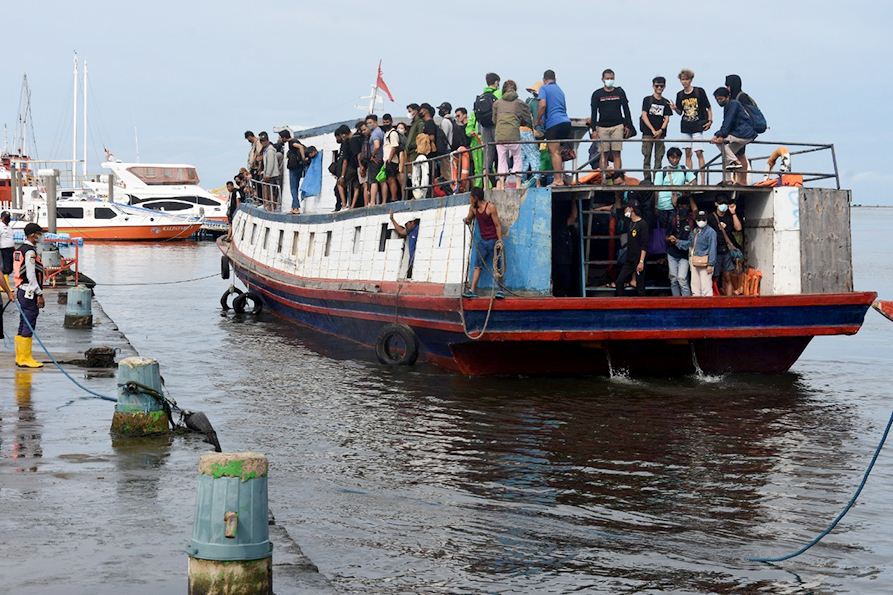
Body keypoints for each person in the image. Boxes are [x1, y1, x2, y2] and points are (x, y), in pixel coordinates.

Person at [671, 69, 712, 185]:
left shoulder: (699, 91)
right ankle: (690, 179)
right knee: (687, 152)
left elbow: (708, 107)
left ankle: (703, 180)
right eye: (682, 80)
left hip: (698, 125)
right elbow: (680, 112)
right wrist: (675, 108)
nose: (684, 82)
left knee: (699, 152)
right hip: (685, 125)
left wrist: (710, 120)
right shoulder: (679, 94)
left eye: (686, 79)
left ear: (691, 80)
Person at [590, 69, 633, 176]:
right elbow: (594, 113)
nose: (609, 80)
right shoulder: (597, 94)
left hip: (617, 126)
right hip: (603, 127)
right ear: (602, 79)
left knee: (616, 153)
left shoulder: (619, 92)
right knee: (603, 153)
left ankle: (617, 177)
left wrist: (628, 125)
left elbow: (626, 109)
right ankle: (603, 177)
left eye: (611, 78)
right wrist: (594, 129)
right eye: (607, 78)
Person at [13, 223, 46, 368]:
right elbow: (31, 275)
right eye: (39, 234)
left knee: (23, 321)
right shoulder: (30, 252)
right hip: (29, 291)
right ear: (33, 235)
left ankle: (20, 357)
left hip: (21, 289)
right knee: (29, 321)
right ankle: (25, 358)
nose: (40, 237)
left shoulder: (19, 249)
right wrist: (39, 293)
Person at [462, 186, 503, 298]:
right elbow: (469, 218)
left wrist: (500, 241)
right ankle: (472, 290)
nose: (470, 199)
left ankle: (500, 290)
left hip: (493, 241)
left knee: (498, 267)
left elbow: (497, 225)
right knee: (477, 266)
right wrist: (466, 220)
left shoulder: (490, 207)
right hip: (482, 242)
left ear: (476, 198)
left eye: (471, 197)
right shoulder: (473, 208)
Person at [711, 87, 758, 185]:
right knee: (726, 153)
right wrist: (720, 134)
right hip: (739, 133)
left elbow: (727, 123)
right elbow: (727, 124)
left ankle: (735, 162)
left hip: (744, 133)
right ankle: (727, 180)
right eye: (717, 100)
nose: (719, 102)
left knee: (723, 144)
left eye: (721, 99)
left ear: (728, 97)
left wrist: (718, 135)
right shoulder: (727, 106)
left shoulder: (733, 104)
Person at [492, 80, 533, 189]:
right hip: (514, 135)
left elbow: (494, 120)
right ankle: (518, 183)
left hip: (500, 136)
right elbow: (527, 118)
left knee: (501, 159)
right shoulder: (519, 103)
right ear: (515, 89)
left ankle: (501, 184)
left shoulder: (497, 103)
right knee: (517, 157)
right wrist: (520, 122)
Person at [535, 69, 572, 186]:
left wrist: (537, 120)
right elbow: (564, 107)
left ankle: (558, 180)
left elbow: (542, 105)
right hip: (566, 123)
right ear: (555, 79)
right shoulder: (560, 90)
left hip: (554, 124)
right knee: (559, 152)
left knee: (553, 152)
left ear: (544, 80)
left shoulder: (544, 88)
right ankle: (560, 177)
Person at [672, 210, 716, 297]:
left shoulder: (711, 232)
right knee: (695, 288)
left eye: (703, 219)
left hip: (705, 263)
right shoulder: (695, 231)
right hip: (694, 261)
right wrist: (677, 242)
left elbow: (712, 248)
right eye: (699, 219)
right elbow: (689, 244)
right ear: (696, 220)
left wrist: (711, 264)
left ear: (707, 220)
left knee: (706, 288)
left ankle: (707, 307)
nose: (701, 221)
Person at [708, 196, 743, 296]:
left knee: (727, 276)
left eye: (725, 203)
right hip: (715, 251)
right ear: (716, 204)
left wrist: (733, 212)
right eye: (720, 203)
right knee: (715, 277)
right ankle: (714, 297)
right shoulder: (710, 217)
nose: (723, 205)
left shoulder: (729, 217)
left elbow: (738, 228)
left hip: (727, 251)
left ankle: (728, 300)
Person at [653, 147, 696, 228]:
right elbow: (656, 191)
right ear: (668, 158)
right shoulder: (662, 171)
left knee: (675, 228)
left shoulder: (684, 169)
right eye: (672, 157)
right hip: (662, 205)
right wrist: (655, 206)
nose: (675, 160)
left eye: (677, 158)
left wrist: (688, 186)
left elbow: (693, 181)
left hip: (677, 206)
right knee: (663, 229)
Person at [614, 199, 649, 296]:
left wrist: (641, 262)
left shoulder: (643, 224)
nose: (625, 210)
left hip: (639, 259)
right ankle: (622, 304)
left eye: (627, 207)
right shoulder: (629, 222)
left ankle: (643, 307)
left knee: (640, 285)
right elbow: (618, 212)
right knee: (619, 281)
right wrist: (618, 196)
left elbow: (644, 245)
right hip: (629, 259)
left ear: (631, 209)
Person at [640, 76, 672, 181]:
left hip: (660, 134)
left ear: (664, 87)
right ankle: (647, 180)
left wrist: (661, 130)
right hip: (647, 133)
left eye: (661, 86)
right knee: (647, 156)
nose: (659, 88)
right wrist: (653, 130)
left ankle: (657, 180)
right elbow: (644, 115)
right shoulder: (647, 99)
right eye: (657, 86)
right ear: (653, 86)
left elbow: (667, 118)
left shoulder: (666, 102)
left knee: (659, 158)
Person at [475, 73, 502, 182]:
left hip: (484, 127)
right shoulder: (498, 93)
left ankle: (487, 184)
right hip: (496, 125)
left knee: (487, 154)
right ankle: (500, 183)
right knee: (500, 152)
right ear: (496, 82)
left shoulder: (480, 96)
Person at [664, 200, 693, 296]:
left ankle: (687, 302)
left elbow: (691, 242)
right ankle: (675, 301)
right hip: (672, 253)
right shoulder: (673, 220)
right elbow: (666, 236)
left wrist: (677, 241)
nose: (683, 208)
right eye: (681, 206)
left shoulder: (691, 221)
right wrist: (670, 239)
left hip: (684, 254)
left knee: (682, 279)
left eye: (686, 206)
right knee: (673, 279)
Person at [389, 209, 420, 277]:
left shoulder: (418, 230)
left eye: (406, 224)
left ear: (412, 222)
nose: (406, 226)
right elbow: (401, 231)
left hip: (418, 262)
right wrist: (392, 220)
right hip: (412, 262)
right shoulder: (410, 230)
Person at [365, 114, 385, 206]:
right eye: (367, 123)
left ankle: (372, 201)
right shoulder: (380, 132)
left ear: (375, 122)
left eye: (370, 123)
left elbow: (376, 145)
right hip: (381, 159)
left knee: (374, 181)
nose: (369, 125)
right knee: (382, 180)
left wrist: (373, 155)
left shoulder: (375, 133)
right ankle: (383, 201)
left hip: (375, 161)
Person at [284, 133, 307, 214]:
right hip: (299, 167)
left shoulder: (291, 142)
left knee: (293, 188)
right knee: (295, 188)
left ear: (284, 137)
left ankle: (296, 208)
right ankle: (293, 207)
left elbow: (300, 147)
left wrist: (303, 158)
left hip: (294, 168)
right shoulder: (296, 140)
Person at [259, 132, 281, 209]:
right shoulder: (266, 150)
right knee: (269, 193)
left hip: (272, 175)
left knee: (272, 193)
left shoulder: (270, 150)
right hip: (269, 175)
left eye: (264, 141)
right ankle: (271, 207)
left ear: (268, 140)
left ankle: (272, 208)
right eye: (261, 141)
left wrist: (267, 175)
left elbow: (270, 163)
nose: (263, 143)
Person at [1, 210, 14, 286]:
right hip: (3, 249)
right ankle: (4, 286)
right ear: (2, 218)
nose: (8, 219)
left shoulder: (9, 227)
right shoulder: (0, 226)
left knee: (10, 268)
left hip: (10, 249)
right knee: (5, 268)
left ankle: (5, 284)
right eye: (6, 218)